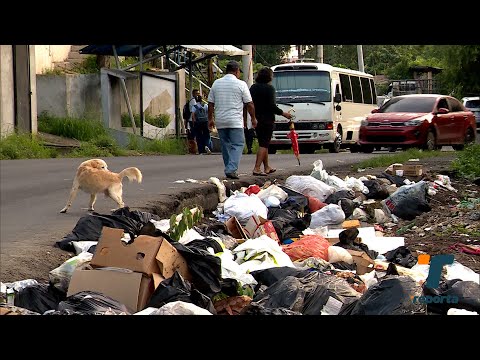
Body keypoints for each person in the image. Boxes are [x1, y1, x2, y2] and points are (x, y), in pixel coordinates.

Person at [207, 60, 256, 179]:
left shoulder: (216, 83)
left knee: (225, 146)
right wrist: (253, 118)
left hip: (221, 120)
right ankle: (231, 168)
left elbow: (210, 103)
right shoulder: (241, 84)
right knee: (238, 144)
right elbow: (249, 104)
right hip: (235, 121)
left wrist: (210, 119)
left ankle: (229, 167)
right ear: (236, 71)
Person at [249, 67, 292, 176]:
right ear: (269, 77)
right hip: (267, 119)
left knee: (263, 143)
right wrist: (284, 113)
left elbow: (250, 103)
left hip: (256, 118)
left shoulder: (253, 88)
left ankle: (266, 166)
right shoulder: (270, 89)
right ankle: (257, 168)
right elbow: (272, 106)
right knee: (264, 144)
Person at [185, 89, 199, 154]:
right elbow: (194, 111)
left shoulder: (192, 100)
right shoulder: (193, 101)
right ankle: (192, 149)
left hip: (191, 120)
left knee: (192, 135)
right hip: (192, 120)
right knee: (192, 136)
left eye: (198, 94)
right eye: (196, 94)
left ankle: (192, 149)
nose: (197, 95)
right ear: (193, 94)